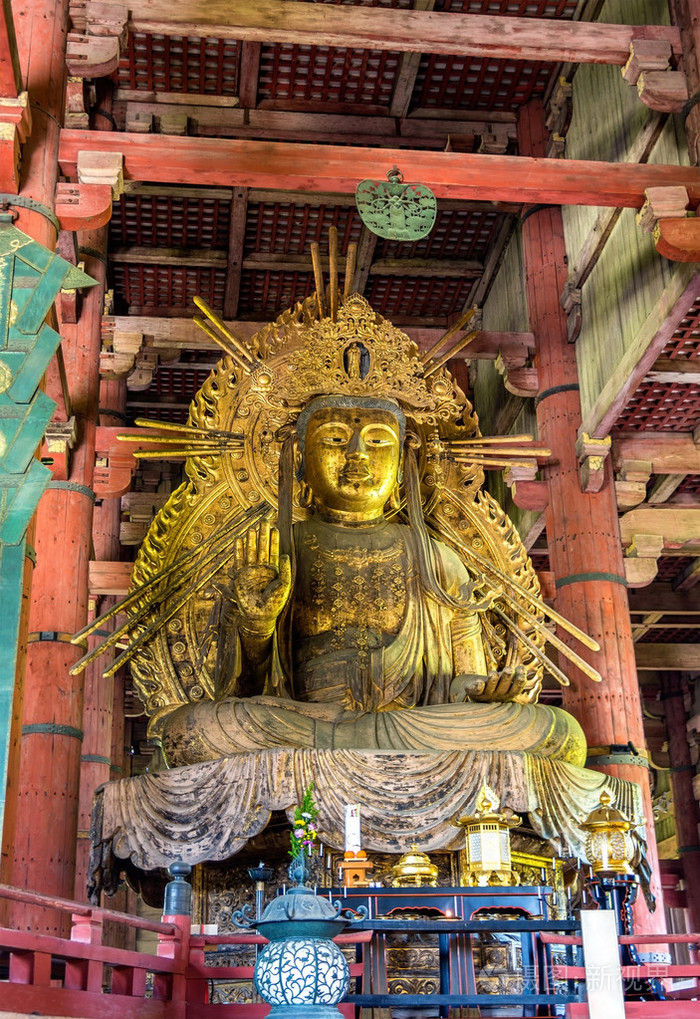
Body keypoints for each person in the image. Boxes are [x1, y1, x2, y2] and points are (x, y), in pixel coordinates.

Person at [156, 394, 586, 769]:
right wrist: (256, 626)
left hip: (415, 727)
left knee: (555, 732)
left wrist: (482, 691)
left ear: (402, 469)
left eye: (379, 441)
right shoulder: (279, 550)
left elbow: (463, 677)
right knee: (193, 731)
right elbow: (243, 690)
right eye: (334, 440)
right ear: (301, 464)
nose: (357, 455)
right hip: (307, 723)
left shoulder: (438, 557)